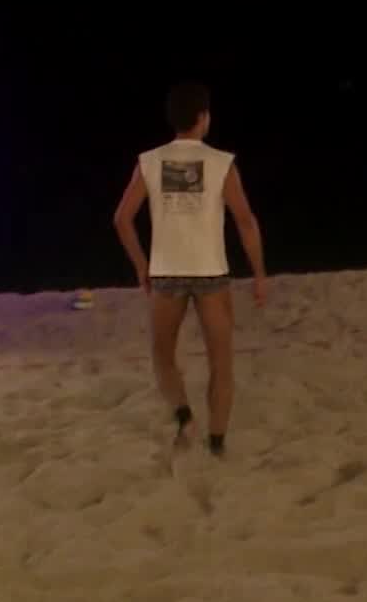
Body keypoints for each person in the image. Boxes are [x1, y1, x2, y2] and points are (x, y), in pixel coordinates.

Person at [113, 83, 267, 458]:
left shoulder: (150, 161)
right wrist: (259, 274)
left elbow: (122, 219)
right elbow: (245, 221)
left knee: (163, 355)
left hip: (166, 273)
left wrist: (141, 266)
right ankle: (217, 443)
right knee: (221, 363)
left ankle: (184, 416)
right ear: (203, 117)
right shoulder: (221, 163)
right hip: (211, 273)